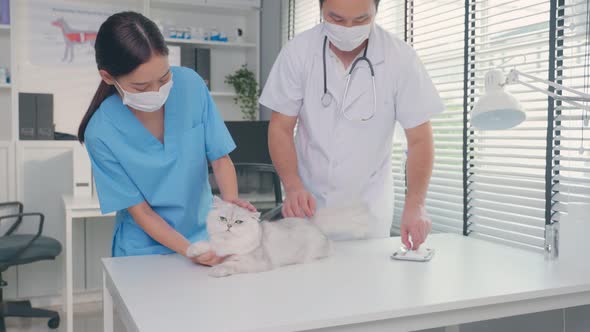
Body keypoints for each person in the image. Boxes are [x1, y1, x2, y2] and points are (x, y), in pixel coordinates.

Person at [260, 0, 444, 249]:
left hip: (368, 208)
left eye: (360, 20)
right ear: (321, 10)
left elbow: (420, 138)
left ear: (376, 12)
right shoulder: (299, 52)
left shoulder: (400, 58)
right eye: (336, 19)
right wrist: (292, 186)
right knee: (304, 281)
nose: (348, 28)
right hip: (308, 203)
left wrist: (416, 204)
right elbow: (280, 127)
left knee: (366, 281)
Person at [78, 12, 255, 265]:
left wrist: (230, 213)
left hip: (205, 235)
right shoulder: (100, 132)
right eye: (141, 87)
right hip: (143, 251)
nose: (156, 91)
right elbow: (141, 212)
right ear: (108, 77)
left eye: (164, 78)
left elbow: (220, 158)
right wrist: (192, 251)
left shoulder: (191, 86)